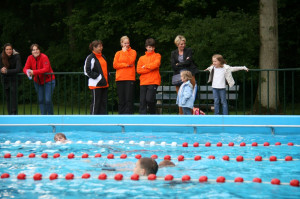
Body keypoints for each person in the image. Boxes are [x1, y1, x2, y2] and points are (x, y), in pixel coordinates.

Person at [23, 44, 55, 115]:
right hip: (37, 82)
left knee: (47, 100)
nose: (35, 51)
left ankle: (51, 117)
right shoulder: (30, 58)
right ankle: (43, 117)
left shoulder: (44, 57)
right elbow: (25, 68)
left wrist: (33, 72)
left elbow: (46, 69)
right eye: (33, 50)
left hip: (48, 81)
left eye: (37, 49)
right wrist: (28, 72)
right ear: (31, 52)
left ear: (39, 50)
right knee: (40, 100)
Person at [171, 35, 199, 115]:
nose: (183, 45)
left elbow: (188, 62)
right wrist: (183, 63)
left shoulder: (189, 51)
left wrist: (178, 64)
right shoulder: (173, 53)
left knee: (189, 96)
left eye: (184, 44)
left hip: (189, 75)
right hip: (178, 76)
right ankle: (181, 115)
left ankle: (189, 115)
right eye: (181, 44)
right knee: (180, 96)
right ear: (177, 44)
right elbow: (173, 66)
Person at [84, 40, 109, 115]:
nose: (101, 48)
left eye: (101, 46)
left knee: (103, 103)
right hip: (95, 84)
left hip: (104, 83)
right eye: (99, 46)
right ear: (93, 48)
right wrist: (98, 77)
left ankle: (102, 121)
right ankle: (93, 119)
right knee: (96, 103)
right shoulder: (90, 57)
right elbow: (87, 71)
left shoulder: (103, 56)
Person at [137, 38, 161, 114]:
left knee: (149, 99)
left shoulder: (157, 55)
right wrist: (150, 69)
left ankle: (152, 115)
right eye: (148, 47)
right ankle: (142, 119)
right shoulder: (141, 58)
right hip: (143, 81)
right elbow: (138, 70)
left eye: (151, 47)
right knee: (142, 101)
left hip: (153, 81)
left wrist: (145, 66)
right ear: (146, 47)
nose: (150, 49)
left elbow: (156, 65)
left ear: (154, 47)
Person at [113, 36, 137, 114]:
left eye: (128, 43)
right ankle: (121, 115)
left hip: (129, 78)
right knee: (121, 98)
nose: (126, 45)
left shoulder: (133, 52)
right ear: (121, 43)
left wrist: (125, 52)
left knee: (129, 98)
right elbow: (115, 65)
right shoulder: (118, 53)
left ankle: (129, 116)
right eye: (125, 43)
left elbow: (130, 61)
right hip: (120, 78)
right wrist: (125, 65)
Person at [0, 43, 22, 115]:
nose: (9, 51)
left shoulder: (16, 56)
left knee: (13, 97)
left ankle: (14, 114)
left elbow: (18, 69)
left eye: (10, 49)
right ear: (4, 50)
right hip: (5, 80)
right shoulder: (1, 56)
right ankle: (10, 114)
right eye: (7, 49)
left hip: (14, 79)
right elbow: (1, 69)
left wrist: (6, 71)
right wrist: (1, 70)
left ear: (12, 50)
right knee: (8, 98)